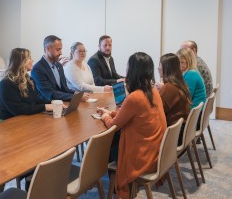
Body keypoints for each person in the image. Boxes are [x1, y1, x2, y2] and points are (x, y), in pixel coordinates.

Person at [97, 52, 167, 199]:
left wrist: (105, 116)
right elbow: (134, 116)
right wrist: (112, 113)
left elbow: (113, 126)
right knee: (115, 141)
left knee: (109, 146)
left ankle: (117, 191)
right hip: (156, 151)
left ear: (132, 71)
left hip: (142, 156)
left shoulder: (135, 97)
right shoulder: (153, 91)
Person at [0, 48, 53, 120]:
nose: (32, 60)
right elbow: (18, 109)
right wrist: (45, 106)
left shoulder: (29, 79)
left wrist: (52, 102)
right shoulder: (6, 84)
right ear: (20, 62)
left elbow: (36, 101)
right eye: (29, 58)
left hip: (24, 119)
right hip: (6, 122)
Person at [31, 35, 90, 102]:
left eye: (61, 49)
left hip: (62, 103)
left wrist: (78, 94)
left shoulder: (58, 65)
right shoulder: (37, 69)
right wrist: (76, 97)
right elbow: (50, 93)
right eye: (58, 49)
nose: (61, 53)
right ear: (48, 48)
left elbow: (65, 89)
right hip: (47, 106)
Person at [157, 53, 192, 127]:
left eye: (160, 65)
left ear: (166, 68)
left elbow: (156, 111)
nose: (158, 68)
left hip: (173, 133)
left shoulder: (169, 87)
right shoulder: (179, 83)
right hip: (181, 128)